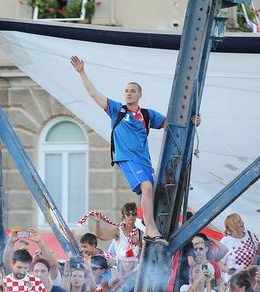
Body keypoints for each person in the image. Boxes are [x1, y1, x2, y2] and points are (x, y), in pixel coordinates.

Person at [71, 56, 200, 241]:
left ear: (140, 94)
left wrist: (192, 120)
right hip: (127, 158)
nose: (129, 94)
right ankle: (150, 229)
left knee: (154, 192)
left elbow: (173, 125)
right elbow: (94, 94)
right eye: (126, 91)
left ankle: (157, 227)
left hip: (143, 160)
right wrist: (82, 72)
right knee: (147, 187)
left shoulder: (147, 115)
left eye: (132, 91)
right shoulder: (117, 110)